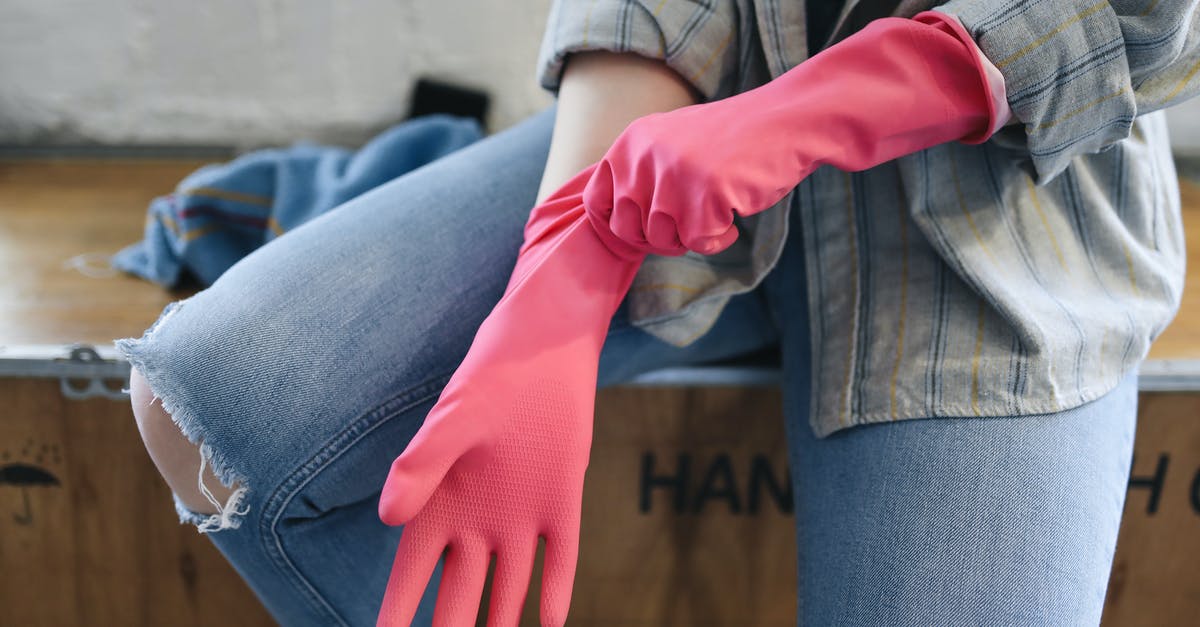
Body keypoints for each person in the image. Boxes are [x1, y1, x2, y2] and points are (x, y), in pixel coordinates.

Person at [117, 0, 1198, 625]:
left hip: (1001, 212)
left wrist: (840, 101)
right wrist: (562, 274)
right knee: (213, 401)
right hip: (678, 143)